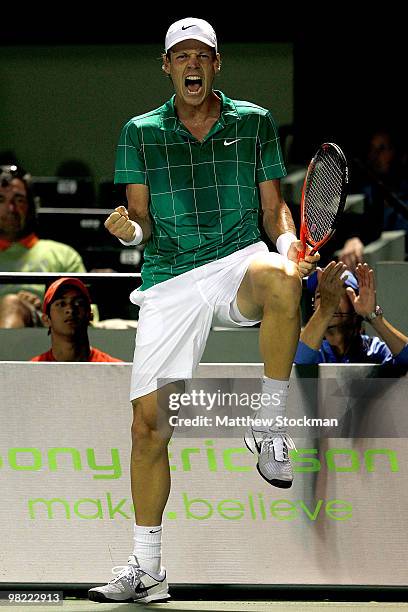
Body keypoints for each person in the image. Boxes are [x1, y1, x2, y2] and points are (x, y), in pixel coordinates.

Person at [88, 17, 319, 604]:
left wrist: (290, 246)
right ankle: (147, 568)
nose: (192, 64)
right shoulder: (138, 132)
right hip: (169, 278)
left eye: (202, 55)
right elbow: (138, 221)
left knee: (285, 281)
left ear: (217, 63)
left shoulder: (255, 122)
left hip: (238, 261)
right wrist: (126, 230)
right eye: (180, 56)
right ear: (165, 66)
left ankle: (269, 425)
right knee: (148, 428)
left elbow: (275, 214)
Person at [0, 164, 86, 328]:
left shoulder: (63, 255)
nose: (11, 208)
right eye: (1, 200)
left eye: (19, 200)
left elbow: (87, 318)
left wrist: (47, 310)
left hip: (48, 336)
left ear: (31, 206)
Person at [295, 261, 408, 365]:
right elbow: (297, 362)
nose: (328, 300)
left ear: (354, 301)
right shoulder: (313, 349)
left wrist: (373, 317)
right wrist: (325, 311)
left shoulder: (374, 349)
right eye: (320, 296)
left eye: (334, 294)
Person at [337, 128, 408, 270]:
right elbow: (361, 224)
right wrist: (354, 238)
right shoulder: (365, 193)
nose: (375, 155)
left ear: (398, 153)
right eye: (372, 149)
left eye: (382, 149)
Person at [31, 277, 122, 362]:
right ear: (46, 319)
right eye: (61, 304)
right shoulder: (32, 370)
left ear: (90, 316)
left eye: (78, 303)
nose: (70, 310)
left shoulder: (115, 370)